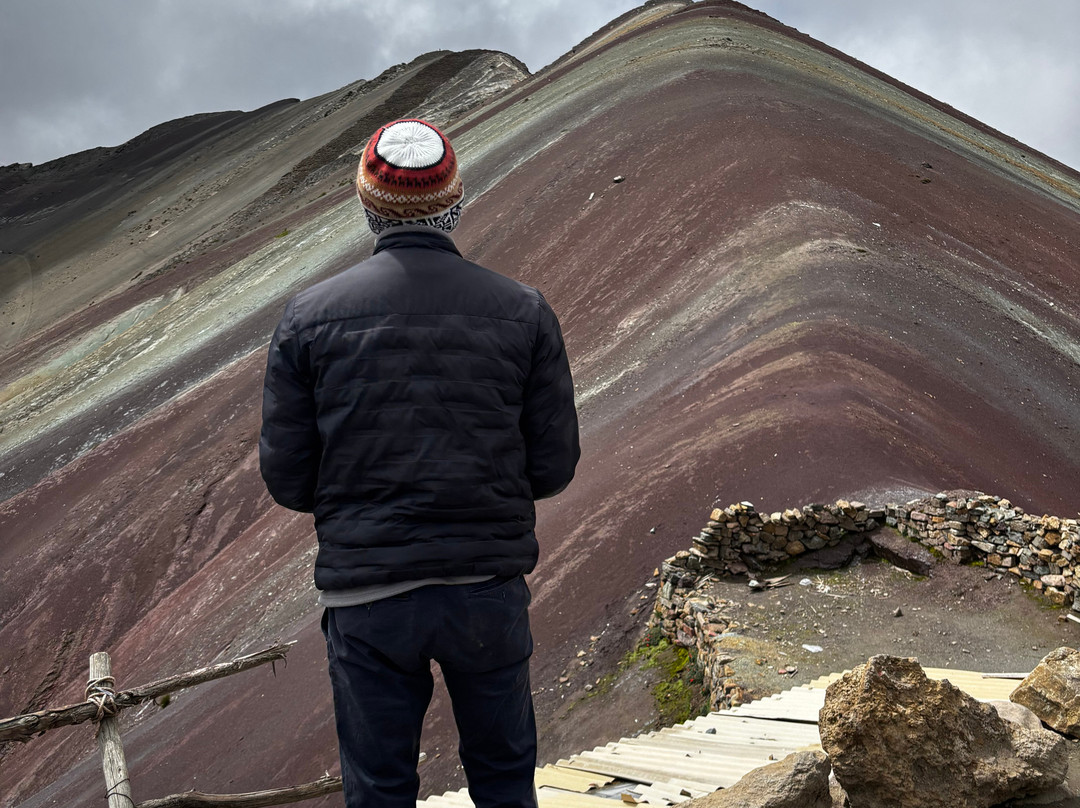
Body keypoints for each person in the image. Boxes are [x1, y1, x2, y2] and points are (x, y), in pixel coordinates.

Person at [259, 118, 580, 808]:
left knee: (379, 788)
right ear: (455, 200)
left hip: (367, 594)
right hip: (485, 589)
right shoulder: (522, 312)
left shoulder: (308, 318)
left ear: (367, 204)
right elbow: (553, 467)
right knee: (502, 778)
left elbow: (288, 480)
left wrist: (363, 500)